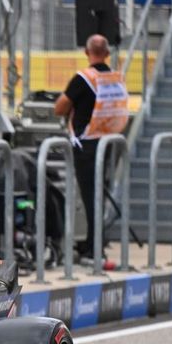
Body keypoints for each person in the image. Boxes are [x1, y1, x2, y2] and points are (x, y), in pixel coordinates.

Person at [53, 34, 129, 268]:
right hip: (107, 142)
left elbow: (60, 108)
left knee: (89, 197)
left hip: (86, 144)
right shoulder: (116, 79)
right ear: (106, 53)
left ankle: (92, 247)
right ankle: (93, 242)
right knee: (97, 194)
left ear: (87, 53)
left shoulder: (83, 78)